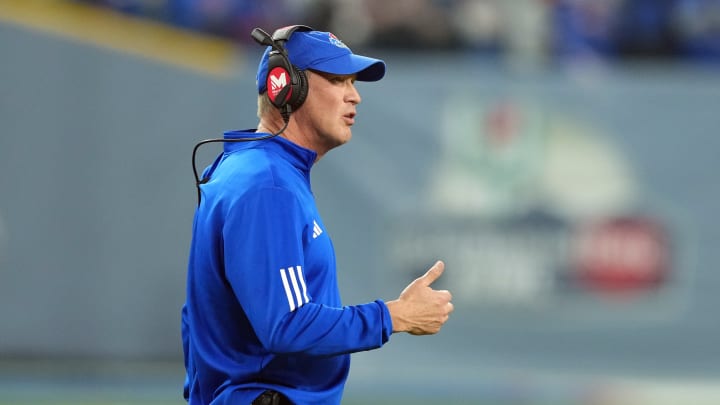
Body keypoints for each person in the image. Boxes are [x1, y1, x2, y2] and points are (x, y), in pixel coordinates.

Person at [181, 25, 453, 405]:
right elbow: (287, 324)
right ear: (285, 88)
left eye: (353, 82)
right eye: (338, 80)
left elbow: (195, 318)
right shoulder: (268, 184)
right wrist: (395, 316)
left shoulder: (254, 170)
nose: (355, 96)